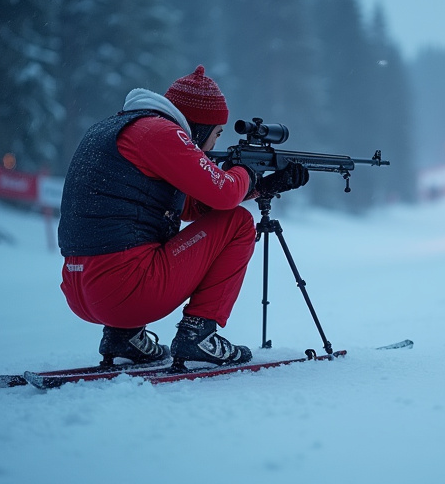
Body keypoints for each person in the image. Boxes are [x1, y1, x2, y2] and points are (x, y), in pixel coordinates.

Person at [57, 65, 309, 368]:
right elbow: (225, 195)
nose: (214, 145)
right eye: (216, 134)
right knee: (239, 223)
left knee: (148, 230)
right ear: (198, 128)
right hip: (127, 289)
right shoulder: (162, 132)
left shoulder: (118, 127)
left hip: (80, 289)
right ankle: (198, 335)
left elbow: (188, 208)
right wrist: (247, 172)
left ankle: (123, 337)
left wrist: (261, 187)